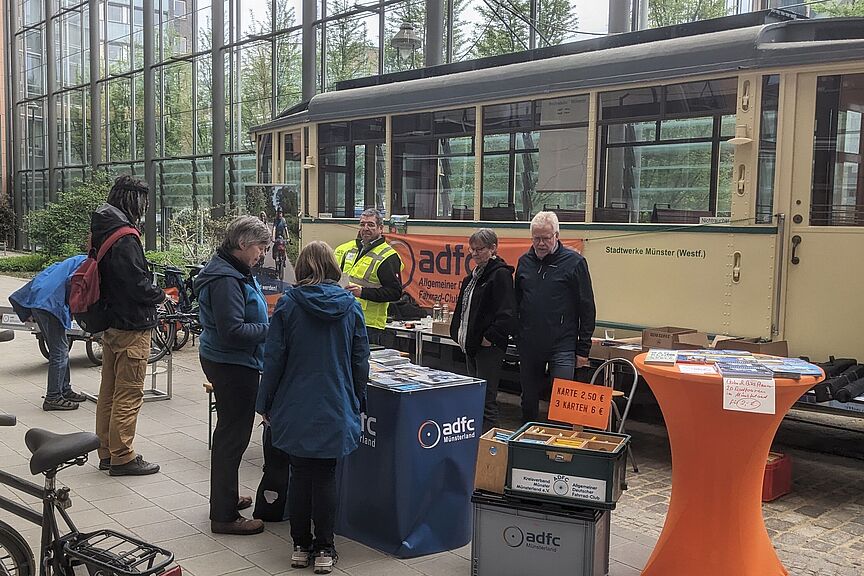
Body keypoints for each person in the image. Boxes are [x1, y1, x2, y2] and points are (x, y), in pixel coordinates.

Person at [257, 241, 369, 574]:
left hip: (294, 403)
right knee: (326, 477)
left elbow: (273, 358)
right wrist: (356, 397)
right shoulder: (351, 307)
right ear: (333, 267)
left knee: (300, 473)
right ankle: (325, 549)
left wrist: (265, 402)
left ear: (302, 267)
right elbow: (360, 359)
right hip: (335, 402)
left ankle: (299, 546)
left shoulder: (288, 305)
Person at [195, 215, 271, 536]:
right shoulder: (226, 279)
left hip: (228, 361)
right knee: (233, 437)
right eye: (260, 246)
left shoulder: (233, 269)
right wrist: (272, 329)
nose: (262, 253)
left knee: (230, 434)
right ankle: (224, 516)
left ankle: (225, 497)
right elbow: (232, 330)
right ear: (243, 244)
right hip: (232, 364)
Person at [91, 175, 166, 475]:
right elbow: (135, 283)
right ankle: (123, 456)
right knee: (129, 392)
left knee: (108, 390)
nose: (146, 206)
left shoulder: (103, 228)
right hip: (132, 325)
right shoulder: (125, 235)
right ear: (134, 199)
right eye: (144, 200)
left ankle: (106, 451)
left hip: (110, 323)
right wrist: (160, 294)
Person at [515, 211, 596, 423]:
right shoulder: (524, 262)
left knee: (562, 402)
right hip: (530, 344)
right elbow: (517, 302)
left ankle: (558, 447)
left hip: (562, 345)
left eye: (546, 238)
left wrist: (583, 349)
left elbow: (587, 308)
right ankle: (527, 444)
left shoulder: (575, 263)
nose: (540, 244)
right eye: (536, 238)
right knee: (528, 400)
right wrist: (517, 336)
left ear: (557, 236)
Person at [450, 229, 516, 433]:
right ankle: (476, 439)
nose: (475, 254)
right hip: (471, 345)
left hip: (488, 348)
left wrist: (490, 337)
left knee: (487, 399)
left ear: (493, 248)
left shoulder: (500, 275)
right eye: (472, 250)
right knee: (475, 397)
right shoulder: (472, 277)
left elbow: (507, 312)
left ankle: (492, 445)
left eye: (480, 249)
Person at [10, 254, 88, 411]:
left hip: (41, 299)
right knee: (59, 352)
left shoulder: (79, 259)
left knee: (60, 349)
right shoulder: (89, 264)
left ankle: (64, 389)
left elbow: (51, 271)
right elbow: (77, 287)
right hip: (49, 304)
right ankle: (53, 397)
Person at [333, 208, 403, 344]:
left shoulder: (388, 256)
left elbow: (395, 293)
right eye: (362, 224)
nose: (365, 228)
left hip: (370, 325)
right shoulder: (350, 249)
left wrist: (363, 292)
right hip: (345, 317)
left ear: (380, 228)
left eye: (370, 224)